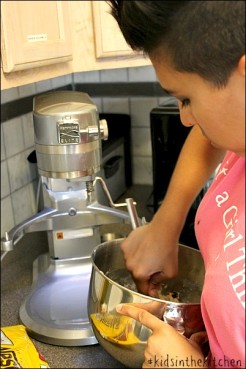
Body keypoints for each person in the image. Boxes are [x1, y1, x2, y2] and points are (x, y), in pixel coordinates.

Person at [107, 1, 245, 368]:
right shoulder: (237, 143)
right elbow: (207, 135)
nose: (186, 119)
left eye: (186, 99)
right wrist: (164, 227)